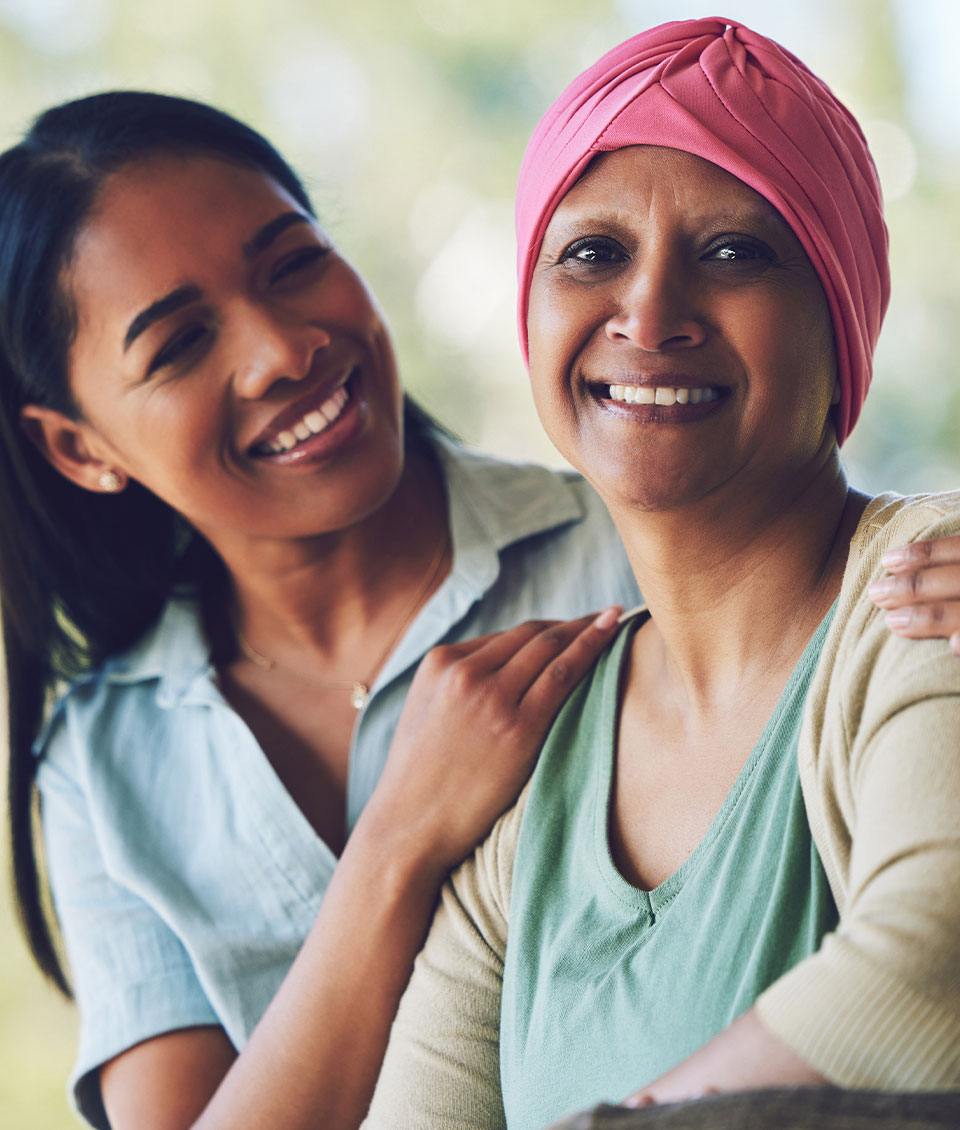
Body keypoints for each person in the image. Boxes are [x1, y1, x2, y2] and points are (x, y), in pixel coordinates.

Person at [361, 19, 960, 1130]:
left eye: (736, 252)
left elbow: (924, 975)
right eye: (592, 252)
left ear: (843, 325)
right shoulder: (534, 758)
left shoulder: (934, 593)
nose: (648, 313)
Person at [0, 91, 640, 1130]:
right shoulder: (102, 764)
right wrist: (400, 838)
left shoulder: (636, 547)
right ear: (82, 448)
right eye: (178, 344)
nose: (284, 350)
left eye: (293, 262)